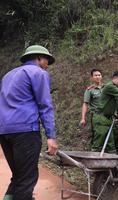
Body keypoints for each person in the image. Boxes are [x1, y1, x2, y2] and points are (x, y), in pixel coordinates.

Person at [0, 45, 58, 200]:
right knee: (27, 179)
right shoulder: (38, 73)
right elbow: (45, 105)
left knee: (19, 176)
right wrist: (51, 136)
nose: (47, 65)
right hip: (25, 131)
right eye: (47, 60)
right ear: (38, 58)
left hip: (4, 131)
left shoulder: (8, 75)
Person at [80, 69, 104, 151]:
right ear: (92, 78)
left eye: (99, 75)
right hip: (96, 116)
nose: (98, 77)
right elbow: (85, 104)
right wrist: (83, 118)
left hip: (107, 116)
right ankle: (95, 154)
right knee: (97, 135)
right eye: (96, 75)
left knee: (108, 137)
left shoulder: (106, 88)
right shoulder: (90, 90)